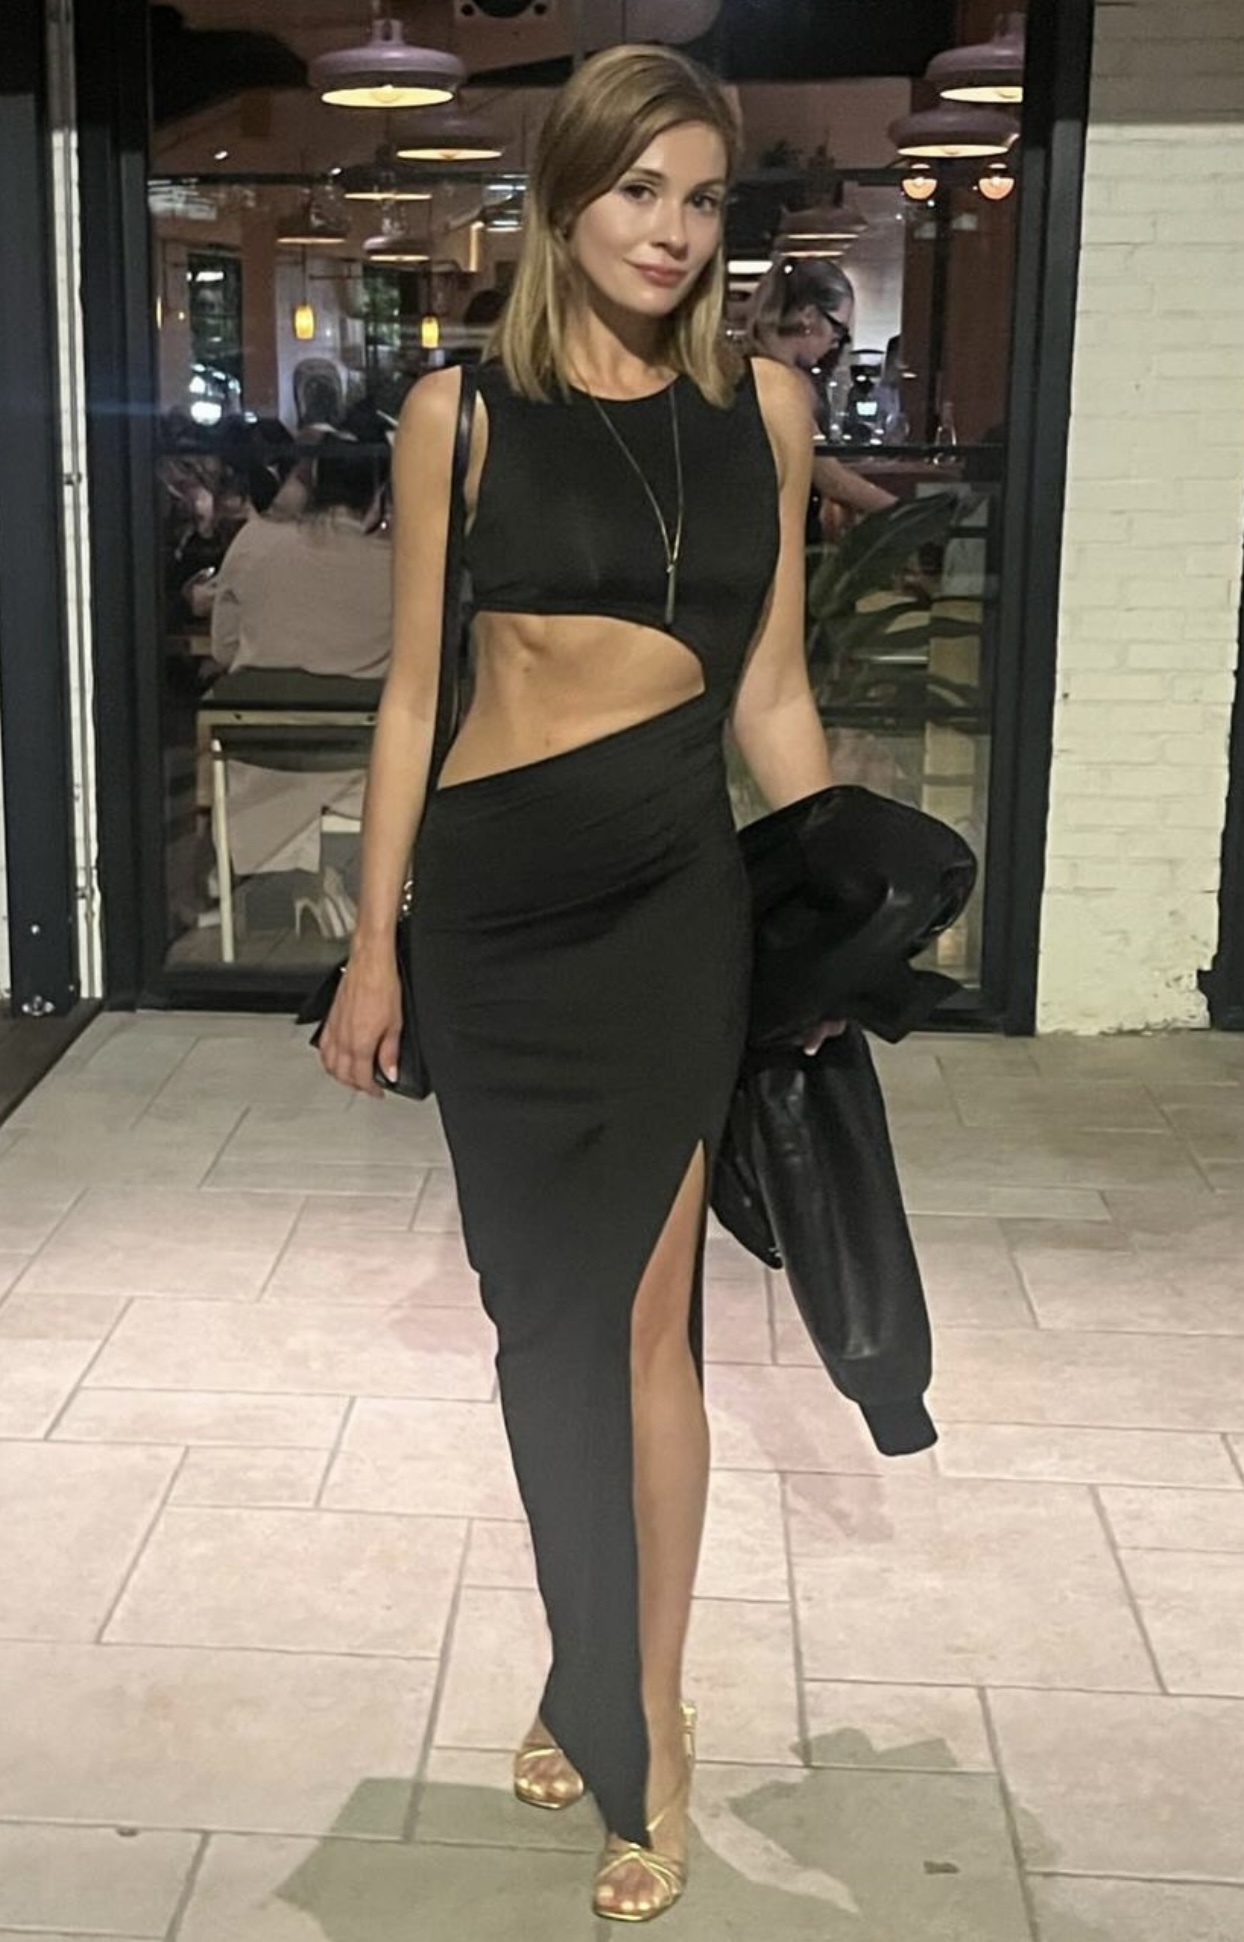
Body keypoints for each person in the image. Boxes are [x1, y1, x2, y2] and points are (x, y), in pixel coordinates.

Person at [317, 44, 844, 1922]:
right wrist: (372, 942)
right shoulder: (456, 414)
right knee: (538, 1326)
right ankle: (578, 1661)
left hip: (667, 909)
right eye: (640, 191)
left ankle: (646, 1722)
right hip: (492, 912)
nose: (673, 232)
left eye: (702, 201)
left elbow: (770, 687)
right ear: (564, 199)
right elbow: (412, 696)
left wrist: (832, 901)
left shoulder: (764, 409)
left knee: (643, 1326)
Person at [209, 419, 393, 934]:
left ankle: (285, 891)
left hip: (260, 761)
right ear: (379, 494)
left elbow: (223, 649)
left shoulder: (254, 544)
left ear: (309, 482)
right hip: (359, 766)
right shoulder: (400, 565)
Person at [744, 256, 896, 537]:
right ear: (809, 316)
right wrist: (906, 513)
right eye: (838, 330)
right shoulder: (782, 383)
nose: (836, 344)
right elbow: (830, 479)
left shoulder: (751, 368)